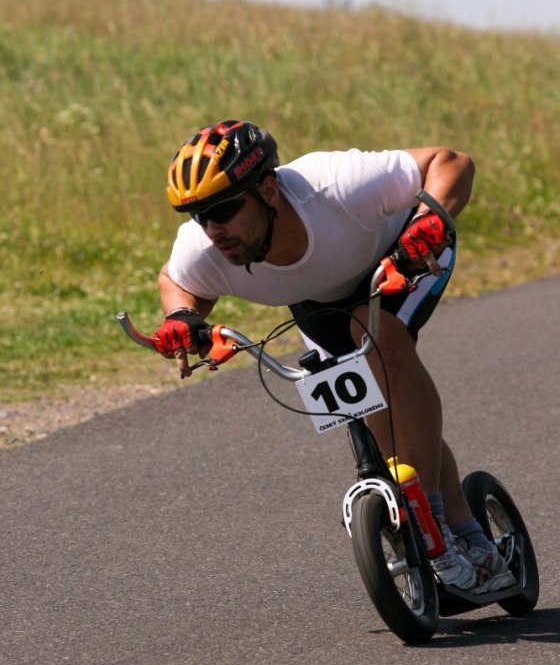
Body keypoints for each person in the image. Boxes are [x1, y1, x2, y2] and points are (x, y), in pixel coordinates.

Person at [152, 119, 515, 593]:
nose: (213, 229)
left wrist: (430, 222)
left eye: (223, 209)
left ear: (268, 190)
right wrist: (183, 320)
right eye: (200, 216)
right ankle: (471, 537)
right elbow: (177, 283)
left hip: (403, 258)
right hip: (321, 299)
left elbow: (451, 163)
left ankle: (433, 525)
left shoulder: (336, 184)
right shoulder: (206, 246)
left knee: (377, 336)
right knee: (375, 411)